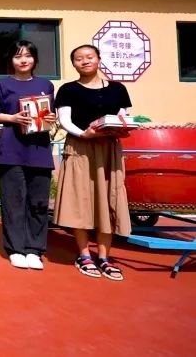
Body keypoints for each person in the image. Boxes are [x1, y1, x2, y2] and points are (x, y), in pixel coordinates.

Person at [54, 44, 132, 281]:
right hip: (80, 147)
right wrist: (83, 134)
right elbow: (64, 119)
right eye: (78, 58)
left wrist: (121, 127)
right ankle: (84, 254)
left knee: (109, 198)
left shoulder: (118, 89)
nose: (85, 61)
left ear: (99, 59)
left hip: (109, 148)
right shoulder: (68, 89)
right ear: (73, 64)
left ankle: (105, 257)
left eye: (89, 57)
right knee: (80, 199)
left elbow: (123, 116)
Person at [0, 40, 57, 270]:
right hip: (11, 150)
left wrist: (51, 119)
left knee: (38, 202)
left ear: (35, 59)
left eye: (28, 55)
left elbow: (50, 115)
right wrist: (13, 118)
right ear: (11, 60)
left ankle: (34, 249)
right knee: (13, 201)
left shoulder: (46, 85)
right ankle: (16, 249)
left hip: (39, 150)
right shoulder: (2, 84)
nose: (23, 60)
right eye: (18, 56)